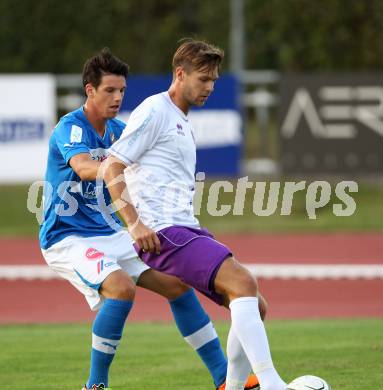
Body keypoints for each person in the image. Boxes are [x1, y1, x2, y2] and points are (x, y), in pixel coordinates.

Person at [39, 48, 261, 390]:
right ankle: (95, 385)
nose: (117, 97)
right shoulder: (71, 128)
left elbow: (147, 168)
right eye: (109, 90)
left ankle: (223, 378)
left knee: (178, 286)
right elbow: (84, 168)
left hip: (109, 231)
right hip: (67, 237)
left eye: (122, 91)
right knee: (120, 288)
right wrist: (117, 166)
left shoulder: (119, 130)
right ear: (89, 90)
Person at [105, 39, 287, 390]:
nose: (210, 87)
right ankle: (272, 383)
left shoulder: (183, 121)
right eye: (203, 79)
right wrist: (134, 223)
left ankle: (232, 386)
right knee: (243, 282)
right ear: (180, 74)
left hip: (185, 227)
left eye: (214, 80)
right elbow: (113, 166)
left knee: (253, 305)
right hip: (162, 230)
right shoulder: (155, 110)